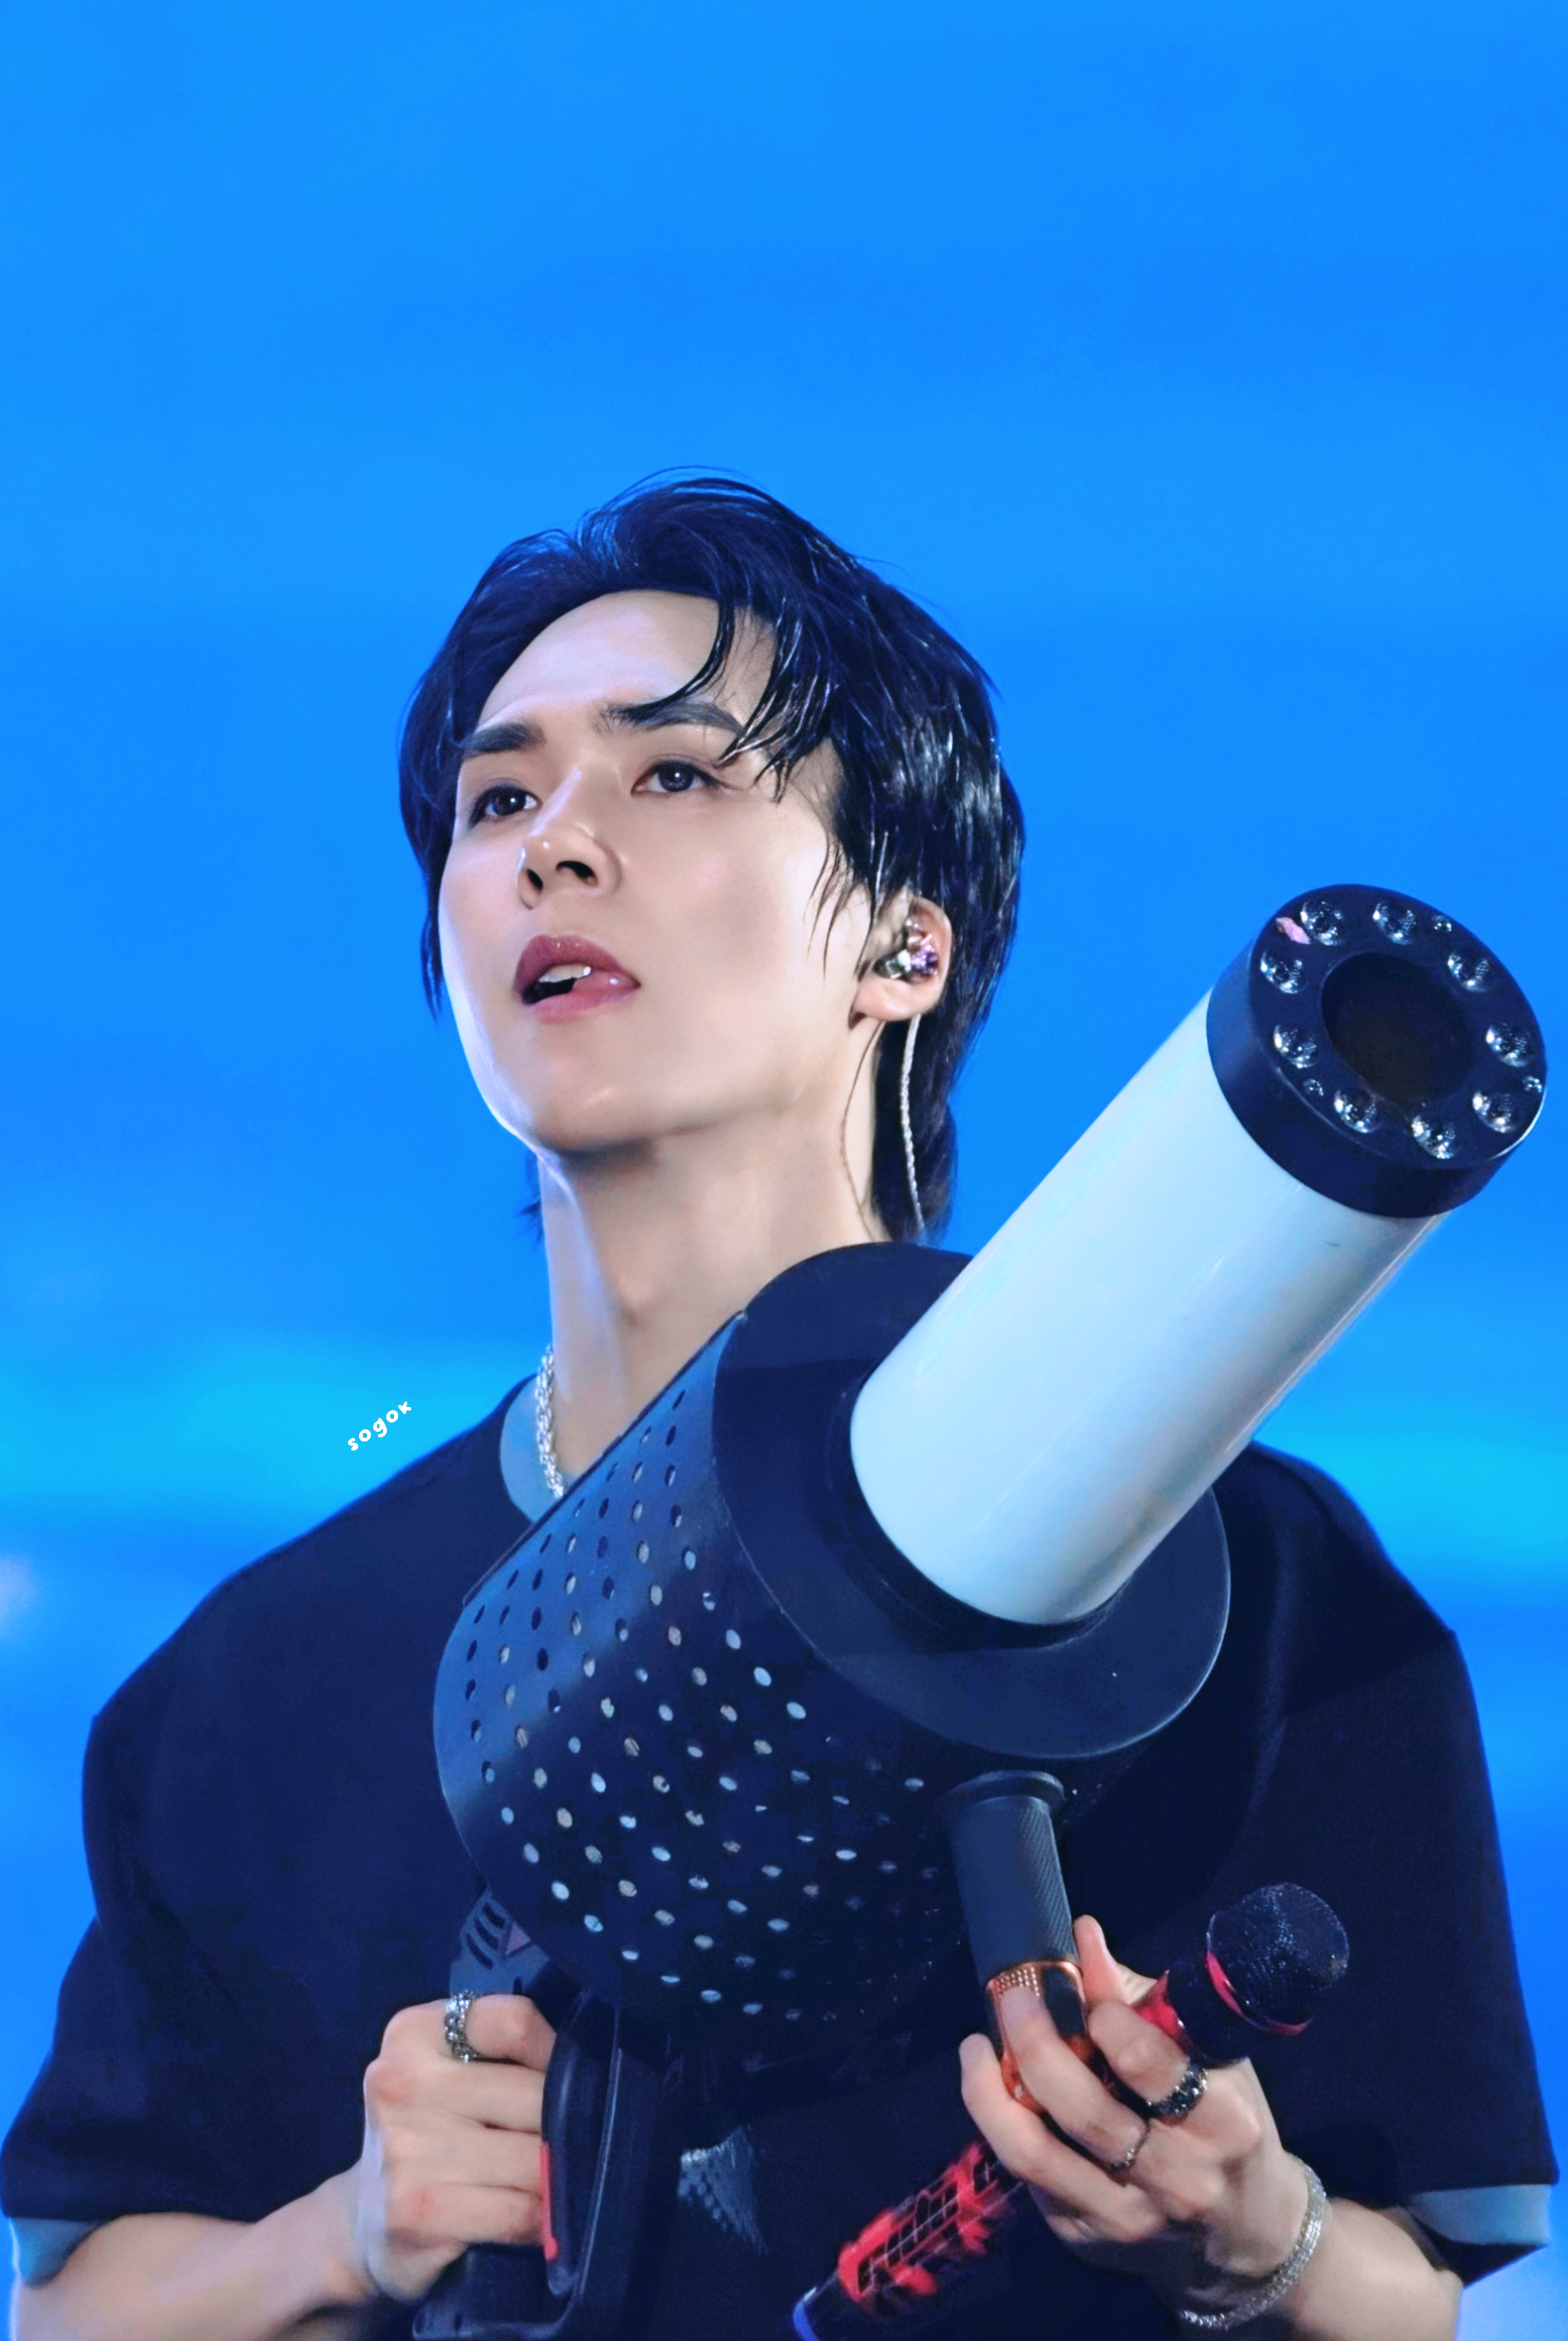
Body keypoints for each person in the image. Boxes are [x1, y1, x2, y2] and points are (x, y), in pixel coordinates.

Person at [2, 478, 1554, 2339]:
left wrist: (1260, 2240)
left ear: (907, 943)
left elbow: (1420, 2291)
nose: (556, 848)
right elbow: (78, 2302)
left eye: (674, 774)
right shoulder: (255, 1684)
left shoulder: (1246, 1582)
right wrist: (341, 2236)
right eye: (500, 801)